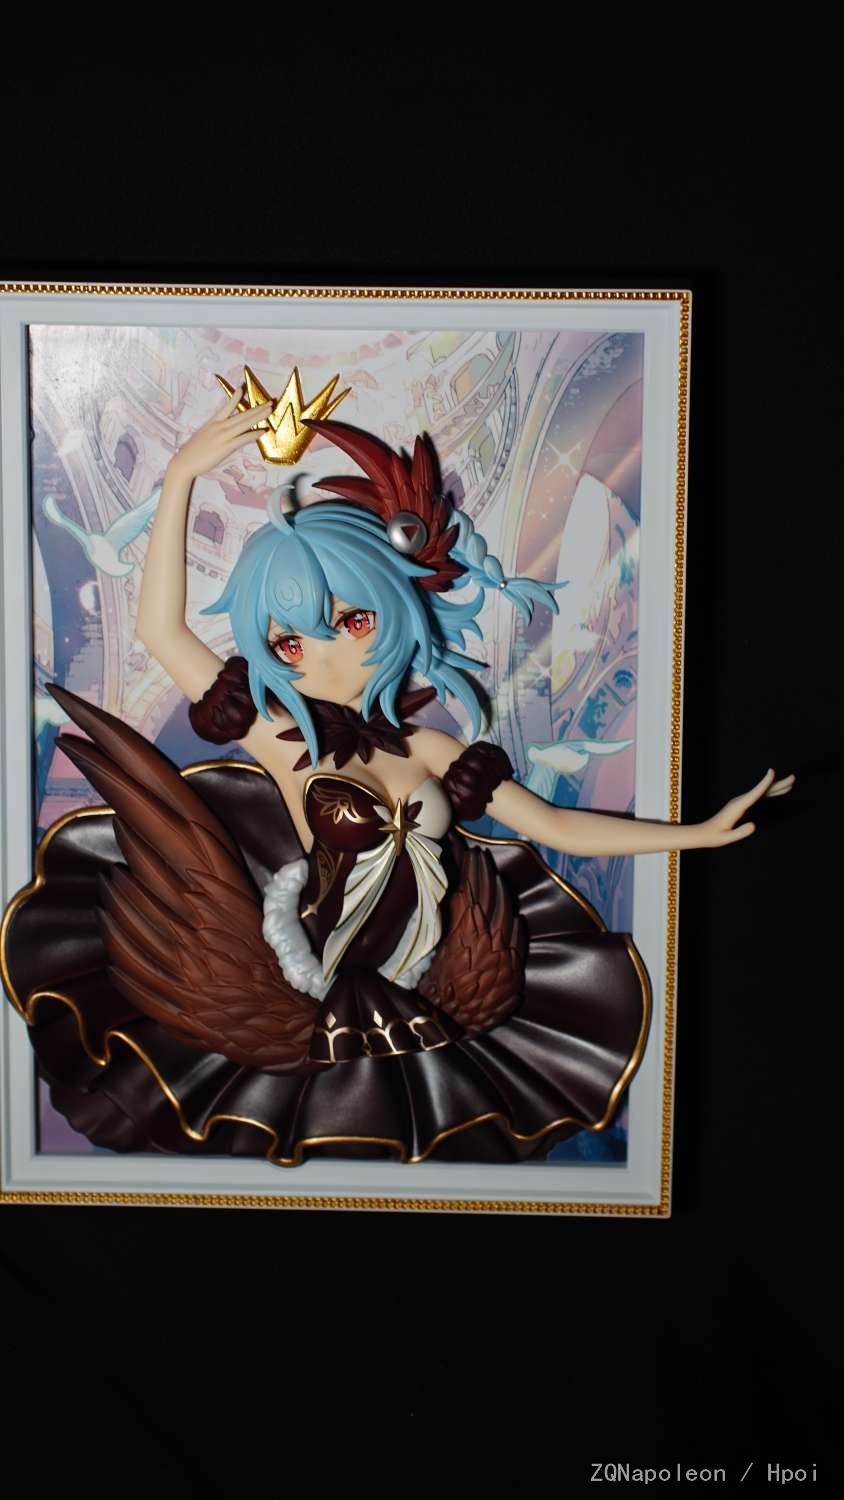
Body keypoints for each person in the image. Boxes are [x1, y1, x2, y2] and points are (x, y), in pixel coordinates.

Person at [2, 387, 795, 1165]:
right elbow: (159, 630)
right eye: (289, 643)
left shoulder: (431, 751)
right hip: (307, 987)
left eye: (352, 621)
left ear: (394, 608)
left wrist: (697, 834)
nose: (325, 656)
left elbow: (553, 826)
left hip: (434, 979)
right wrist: (180, 475)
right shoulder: (282, 738)